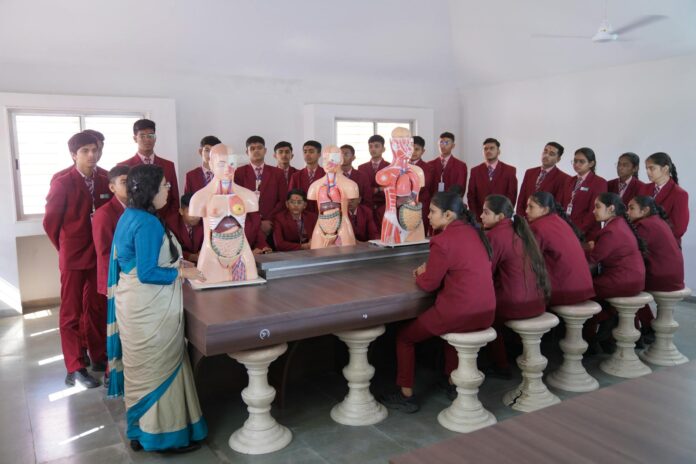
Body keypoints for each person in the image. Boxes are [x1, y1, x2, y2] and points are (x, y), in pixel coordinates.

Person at [107, 164, 207, 453]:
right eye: (164, 186)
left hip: (134, 303)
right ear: (150, 190)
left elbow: (141, 260)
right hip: (149, 307)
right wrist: (183, 272)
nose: (168, 190)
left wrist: (178, 262)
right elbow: (148, 272)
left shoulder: (131, 214)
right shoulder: (147, 222)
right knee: (160, 369)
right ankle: (164, 439)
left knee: (141, 372)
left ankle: (139, 431)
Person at [381, 191, 496, 412]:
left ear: (448, 215)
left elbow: (428, 285)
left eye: (433, 212)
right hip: (486, 310)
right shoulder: (477, 233)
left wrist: (420, 273)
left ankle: (405, 394)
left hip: (459, 312)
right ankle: (451, 381)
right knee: (452, 332)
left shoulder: (442, 241)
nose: (428, 216)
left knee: (405, 337)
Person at [44, 131, 111, 388]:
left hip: (98, 255)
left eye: (94, 150)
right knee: (71, 313)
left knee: (96, 308)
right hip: (72, 257)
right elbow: (51, 223)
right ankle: (75, 367)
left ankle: (98, 356)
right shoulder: (62, 183)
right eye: (85, 151)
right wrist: (65, 248)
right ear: (74, 155)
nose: (92, 155)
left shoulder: (105, 179)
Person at [481, 194, 549, 376]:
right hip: (538, 300)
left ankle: (501, 365)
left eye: (486, 212)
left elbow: (486, 272)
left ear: (500, 217)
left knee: (485, 314)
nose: (481, 216)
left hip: (517, 303)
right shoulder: (520, 230)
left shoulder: (495, 235)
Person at [585, 192, 646, 350]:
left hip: (623, 280)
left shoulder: (611, 230)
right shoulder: (620, 224)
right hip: (634, 279)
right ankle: (608, 326)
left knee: (583, 292)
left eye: (597, 207)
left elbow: (593, 260)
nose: (594, 210)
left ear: (611, 208)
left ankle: (590, 339)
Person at [628, 195, 685, 341]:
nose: (627, 212)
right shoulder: (657, 220)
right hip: (673, 274)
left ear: (645, 210)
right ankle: (644, 326)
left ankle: (641, 328)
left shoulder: (645, 225)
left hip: (662, 276)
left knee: (626, 286)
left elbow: (633, 252)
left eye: (631, 208)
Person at [526, 191, 595, 306]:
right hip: (585, 286)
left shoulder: (537, 227)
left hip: (564, 290)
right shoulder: (560, 221)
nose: (526, 210)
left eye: (531, 207)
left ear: (545, 210)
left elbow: (528, 260)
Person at [118, 119, 180, 229]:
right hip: (137, 224)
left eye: (150, 135)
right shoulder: (124, 166)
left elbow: (174, 198)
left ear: (155, 137)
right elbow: (123, 198)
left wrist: (169, 222)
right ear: (135, 138)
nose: (147, 139)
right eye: (142, 136)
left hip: (165, 222)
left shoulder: (168, 165)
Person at [233, 135, 288, 240]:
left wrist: (269, 220)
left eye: (259, 148)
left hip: (272, 224)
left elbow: (282, 200)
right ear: (247, 152)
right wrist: (257, 222)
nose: (256, 151)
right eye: (252, 148)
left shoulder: (278, 173)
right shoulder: (239, 173)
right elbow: (237, 200)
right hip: (248, 224)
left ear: (265, 150)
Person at [93, 165, 129, 297]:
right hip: (115, 277)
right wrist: (116, 281)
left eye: (132, 181)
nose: (130, 186)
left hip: (133, 276)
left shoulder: (137, 209)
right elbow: (105, 253)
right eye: (124, 182)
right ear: (112, 187)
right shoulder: (104, 214)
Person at [638, 152, 689, 244]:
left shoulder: (680, 194)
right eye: (646, 168)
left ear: (665, 169)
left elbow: (679, 229)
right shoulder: (644, 188)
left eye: (652, 168)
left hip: (665, 246)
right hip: (642, 243)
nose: (647, 172)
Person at [559, 147, 608, 241]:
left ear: (591, 163)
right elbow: (560, 205)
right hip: (565, 229)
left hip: (586, 234)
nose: (577, 164)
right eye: (575, 161)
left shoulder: (599, 182)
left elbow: (594, 212)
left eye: (581, 161)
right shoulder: (569, 180)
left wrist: (578, 231)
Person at [467, 138, 518, 220]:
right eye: (485, 149)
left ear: (498, 151)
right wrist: (476, 218)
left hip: (501, 218)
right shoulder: (475, 171)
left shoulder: (509, 170)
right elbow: (471, 196)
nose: (488, 151)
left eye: (492, 148)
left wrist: (504, 217)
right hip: (480, 218)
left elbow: (512, 196)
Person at [516, 142, 570, 217]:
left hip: (545, 220)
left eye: (551, 154)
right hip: (525, 217)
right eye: (545, 151)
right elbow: (521, 198)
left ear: (558, 159)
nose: (546, 155)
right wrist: (520, 217)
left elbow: (557, 205)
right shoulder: (530, 172)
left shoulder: (564, 178)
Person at [358, 135, 390, 224]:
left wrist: (372, 190)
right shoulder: (361, 168)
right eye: (370, 146)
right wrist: (379, 189)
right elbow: (361, 190)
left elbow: (391, 189)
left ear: (383, 149)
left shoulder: (390, 167)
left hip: (385, 207)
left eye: (376, 146)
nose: (373, 149)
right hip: (366, 207)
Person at [427, 132, 468, 200]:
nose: (443, 146)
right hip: (433, 202)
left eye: (446, 143)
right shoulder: (430, 165)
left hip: (452, 203)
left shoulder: (461, 166)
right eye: (441, 142)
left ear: (453, 146)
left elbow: (460, 189)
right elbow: (428, 188)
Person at [289, 140, 325, 214]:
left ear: (319, 154)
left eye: (311, 151)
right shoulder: (296, 176)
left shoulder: (326, 174)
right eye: (305, 152)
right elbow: (290, 197)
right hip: (302, 214)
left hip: (322, 214)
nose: (307, 154)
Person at [172, 193, 204, 264]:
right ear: (181, 211)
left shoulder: (204, 221)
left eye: (197, 211)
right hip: (180, 263)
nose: (195, 216)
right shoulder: (172, 224)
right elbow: (172, 250)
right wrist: (192, 257)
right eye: (190, 212)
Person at [410, 136, 433, 234]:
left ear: (423, 151)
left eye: (417, 149)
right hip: (403, 206)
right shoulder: (402, 166)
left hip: (422, 206)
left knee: (420, 234)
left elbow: (425, 187)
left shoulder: (428, 168)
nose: (413, 152)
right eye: (411, 148)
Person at [340, 144, 373, 209]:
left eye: (346, 154)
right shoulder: (334, 176)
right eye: (340, 155)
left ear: (353, 158)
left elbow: (367, 199)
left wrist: (358, 211)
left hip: (358, 211)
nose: (342, 157)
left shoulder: (362, 176)